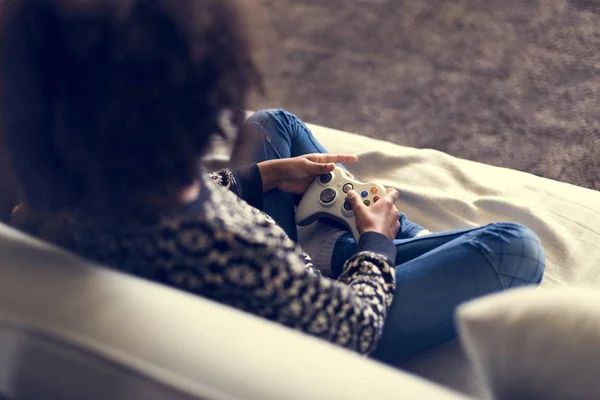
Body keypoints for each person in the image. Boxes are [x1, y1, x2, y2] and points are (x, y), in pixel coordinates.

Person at [0, 0, 545, 362]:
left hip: (269, 275)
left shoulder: (76, 202)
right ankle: (383, 237)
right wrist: (375, 243)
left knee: (273, 126)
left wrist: (257, 177)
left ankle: (353, 232)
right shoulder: (239, 250)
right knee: (514, 248)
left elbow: (160, 201)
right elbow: (350, 326)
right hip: (328, 307)